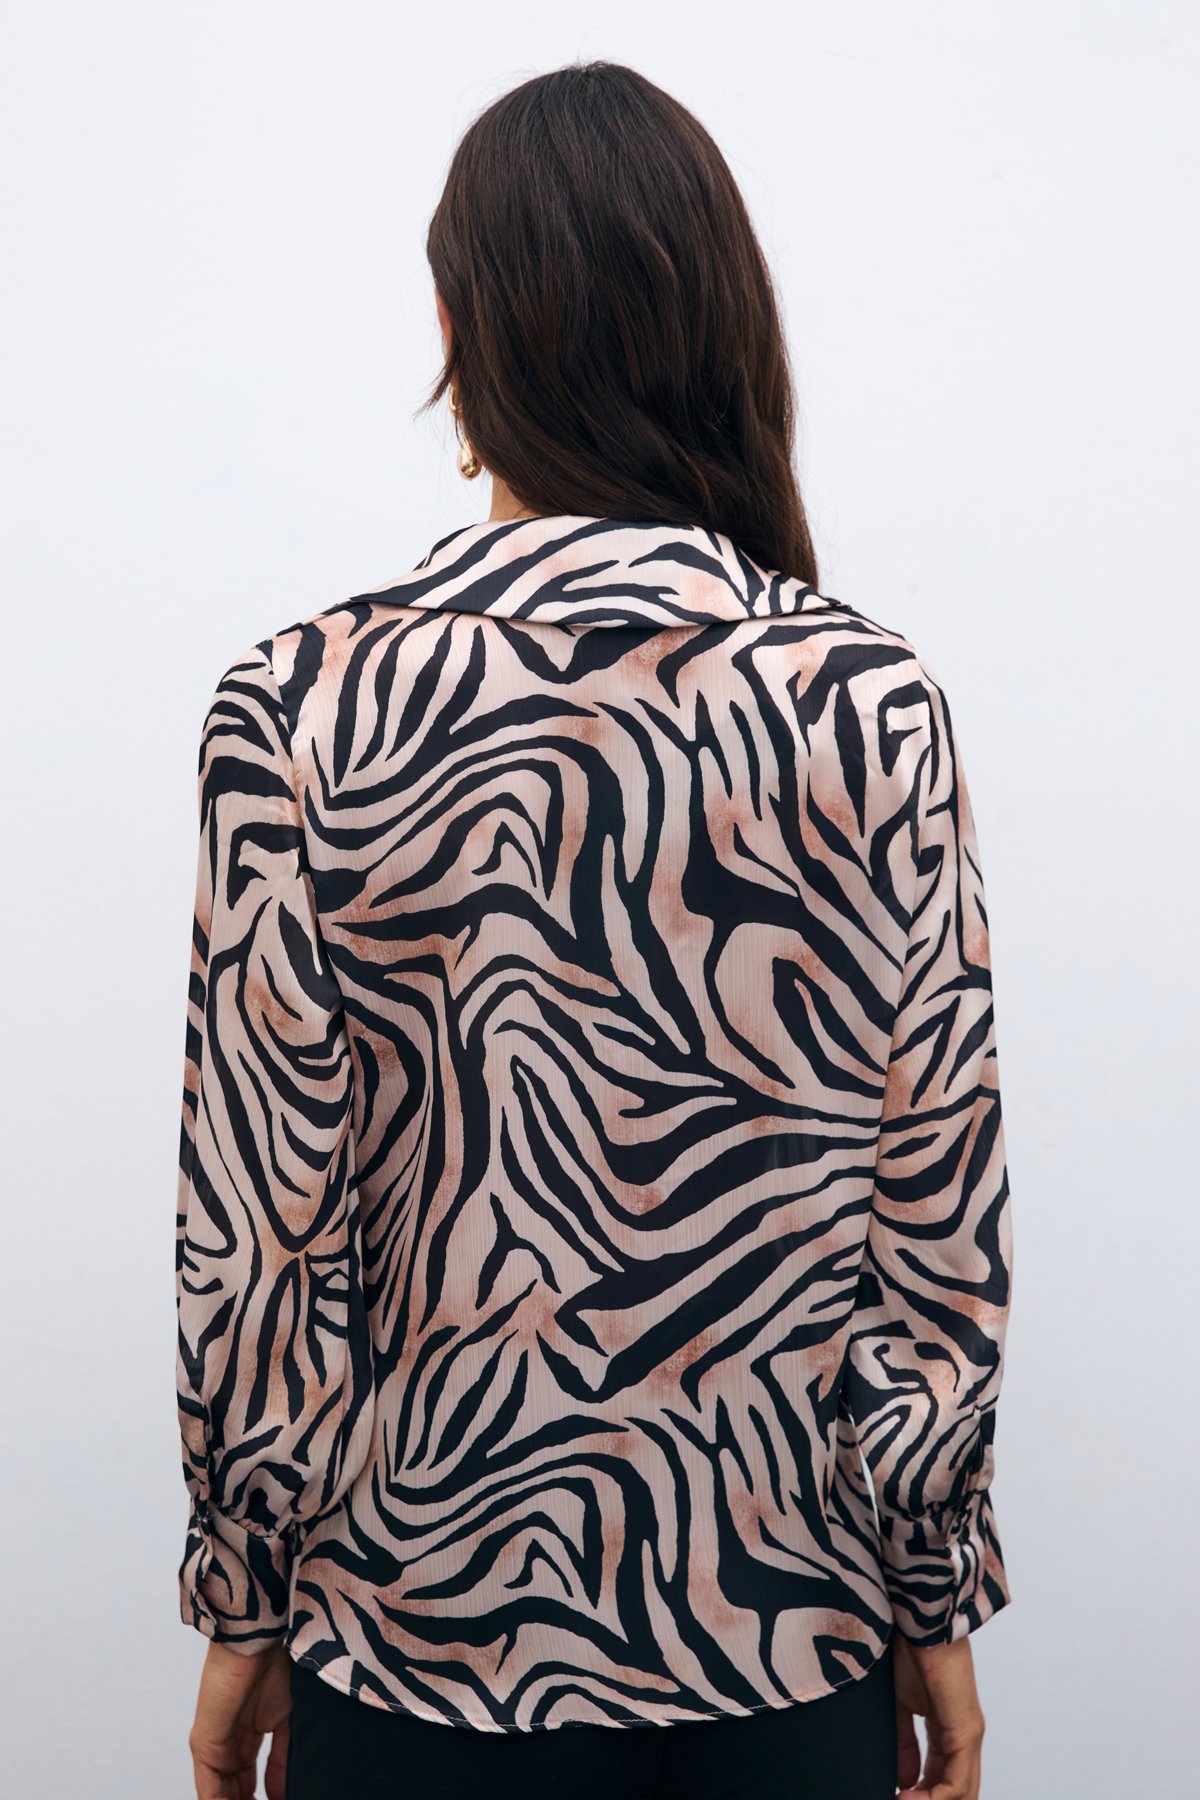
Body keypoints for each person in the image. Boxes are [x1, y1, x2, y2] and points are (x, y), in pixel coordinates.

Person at [175, 59, 1014, 1800]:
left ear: (459, 330)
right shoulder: (867, 707)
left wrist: (243, 1599)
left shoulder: (302, 712)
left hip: (407, 1654)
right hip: (779, 1651)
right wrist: (933, 1585)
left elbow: (260, 1236)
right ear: (721, 330)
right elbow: (933, 1209)